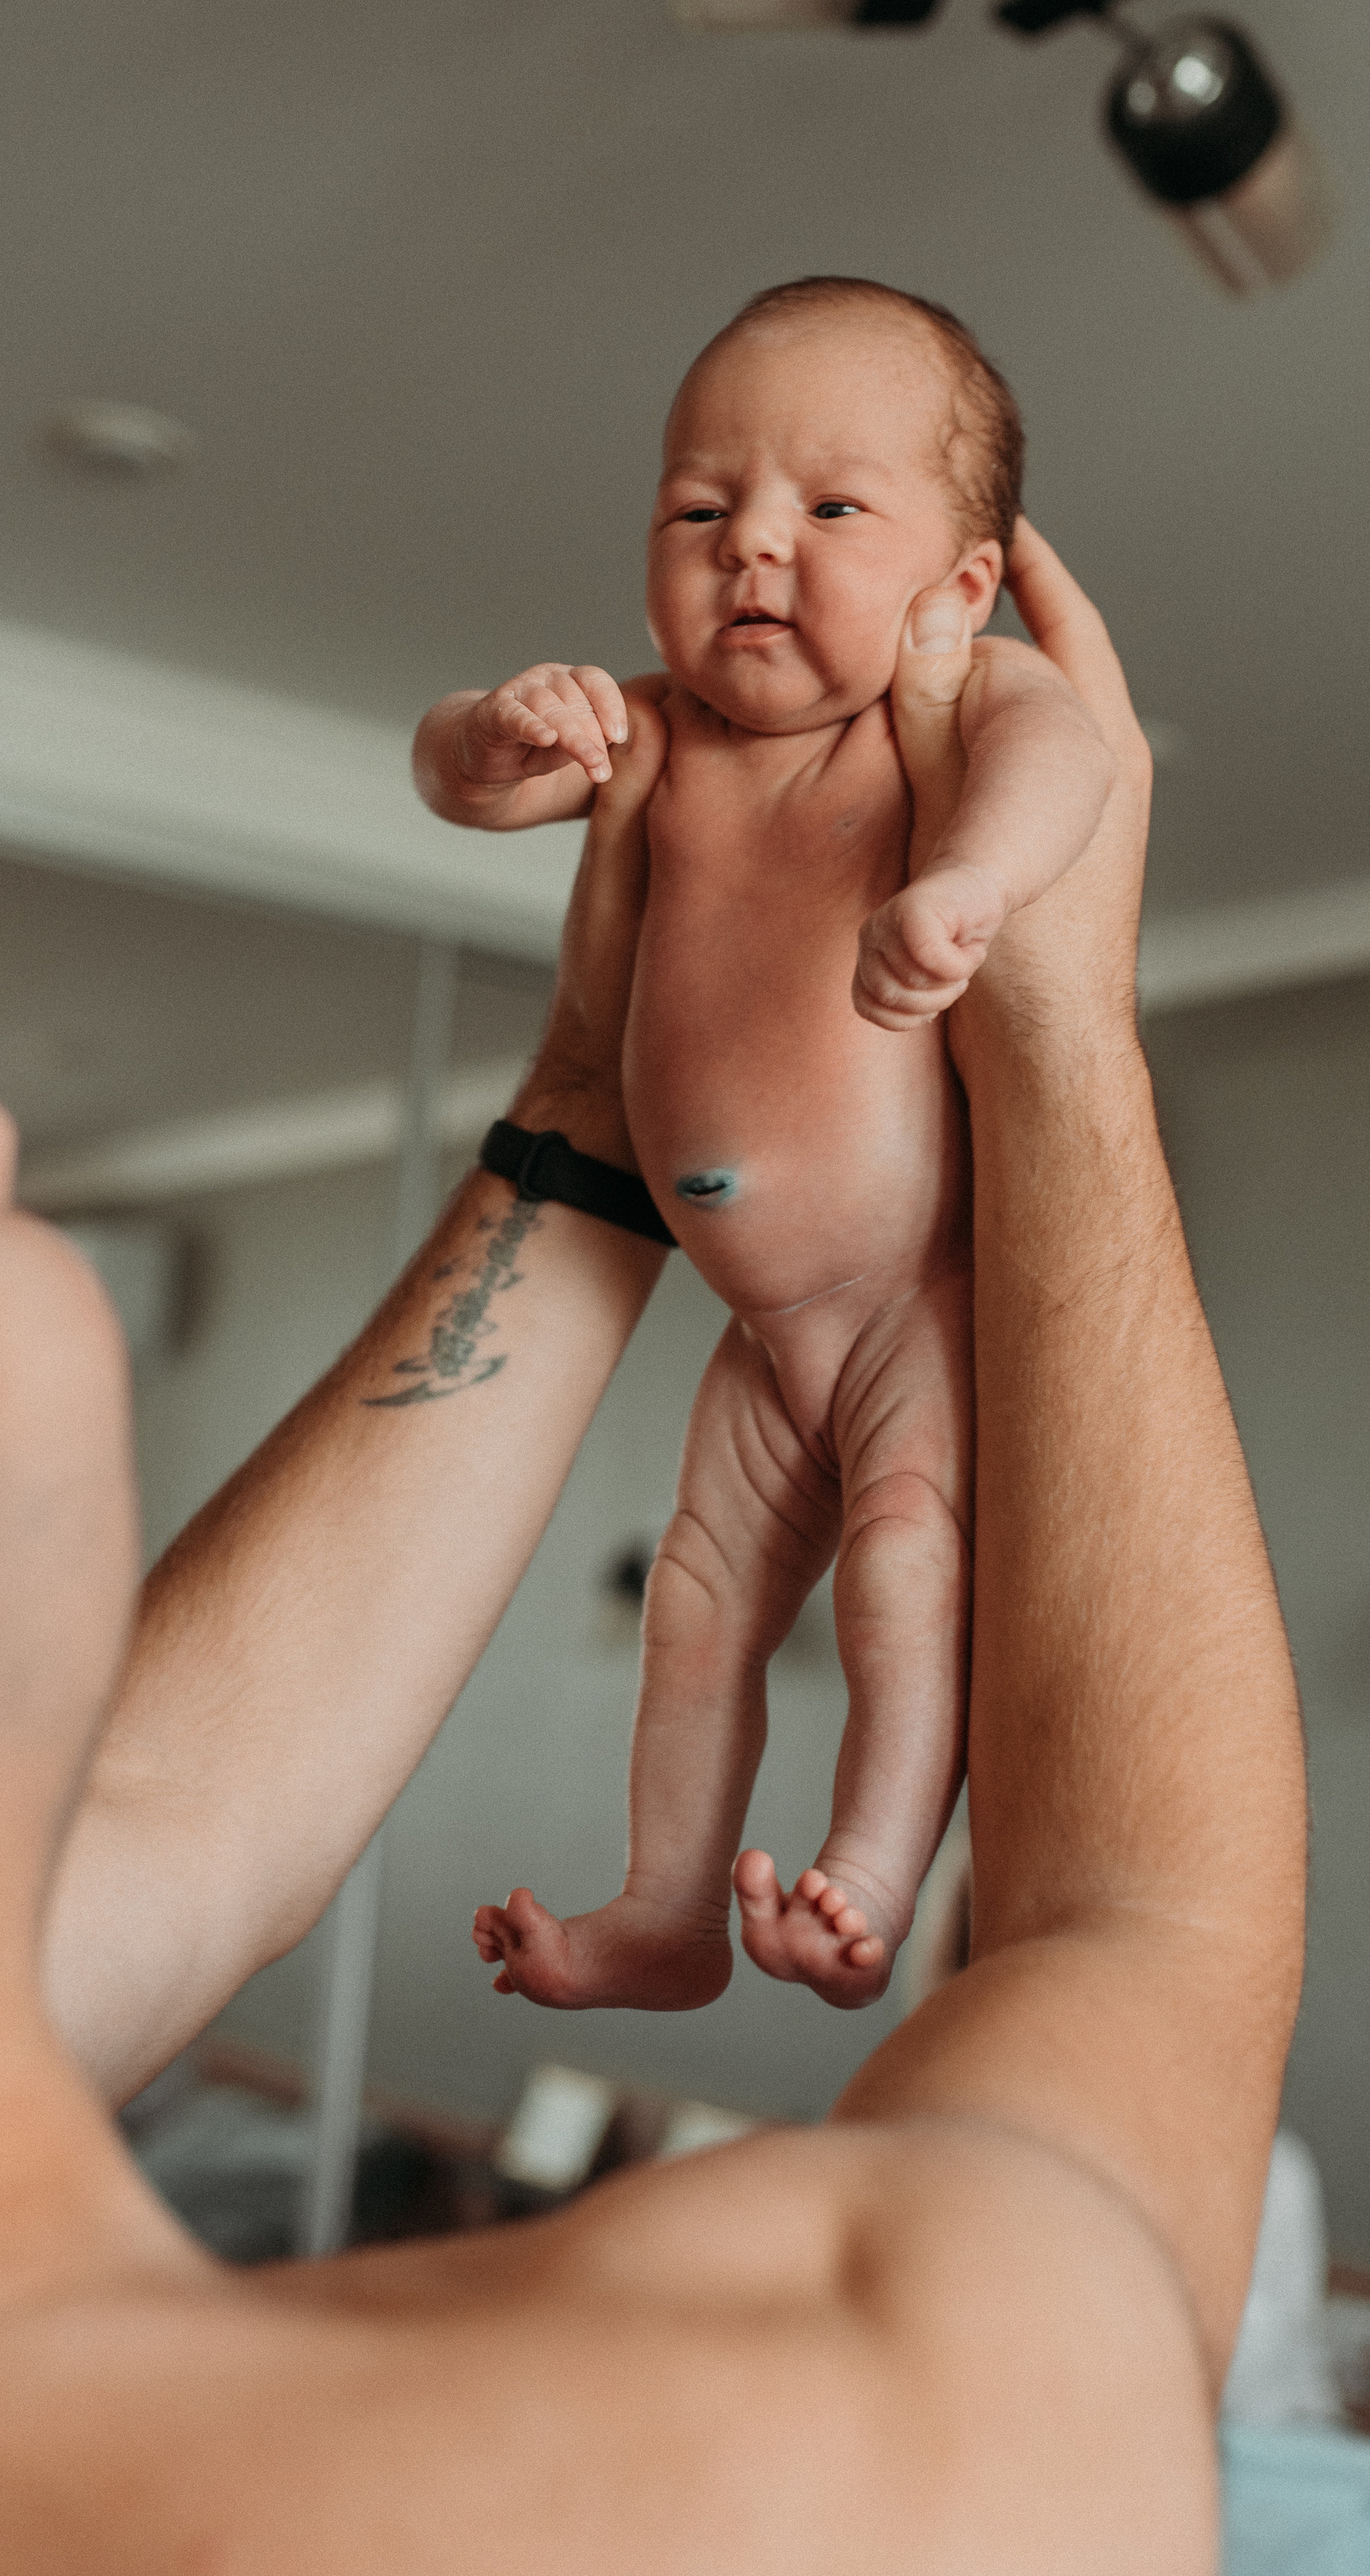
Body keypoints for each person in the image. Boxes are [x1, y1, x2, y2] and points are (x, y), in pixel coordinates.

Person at [0, 528, 1307, 2572]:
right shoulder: (801, 2448)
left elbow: (190, 1797)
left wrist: (597, 1079)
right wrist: (1062, 1032)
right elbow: (1147, 1947)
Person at [415, 278, 1114, 2011]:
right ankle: (666, 1912)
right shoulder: (657, 730)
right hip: (755, 1326)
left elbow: (1066, 753)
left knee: (902, 1570)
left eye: (827, 509)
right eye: (700, 508)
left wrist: (966, 882)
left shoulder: (937, 723)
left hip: (905, 1304)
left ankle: (867, 1873)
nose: (751, 550)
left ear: (957, 587)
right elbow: (453, 780)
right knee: (693, 1606)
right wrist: (501, 733)